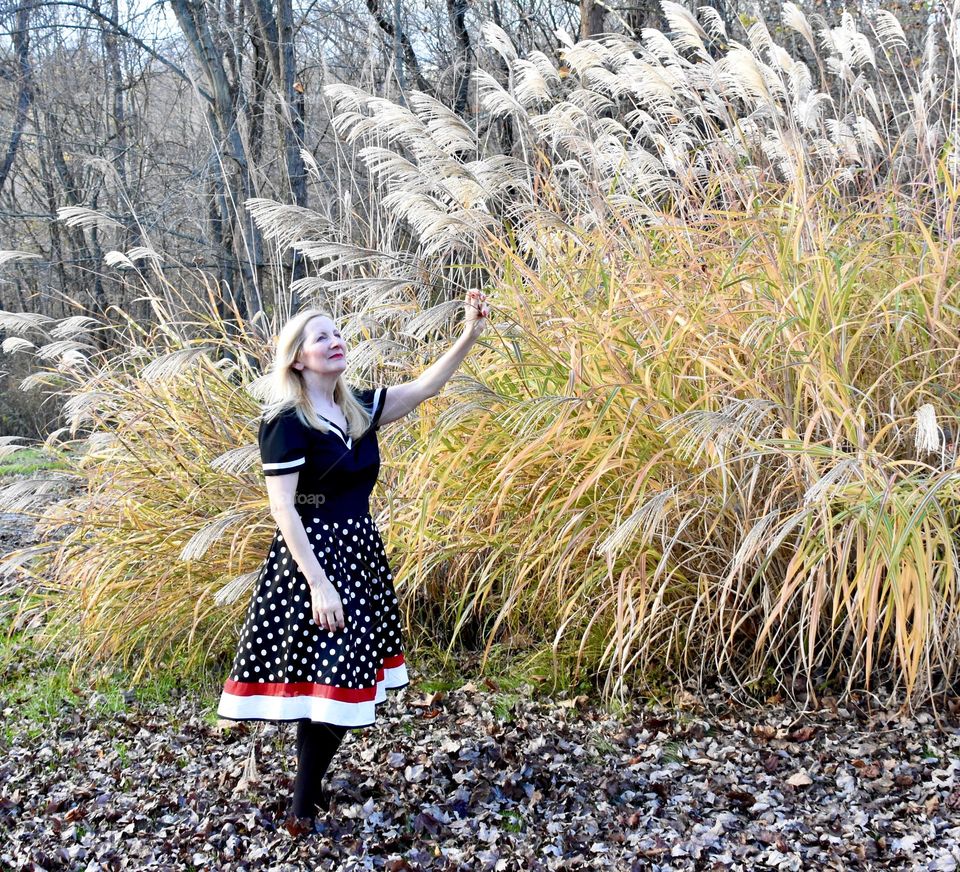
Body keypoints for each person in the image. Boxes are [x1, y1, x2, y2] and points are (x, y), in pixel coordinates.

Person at [216, 289, 490, 827]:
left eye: (337, 332)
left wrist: (469, 335)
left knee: (335, 680)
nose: (335, 341)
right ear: (298, 357)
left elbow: (425, 387)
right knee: (334, 676)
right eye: (322, 336)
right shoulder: (286, 422)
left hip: (359, 554)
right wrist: (318, 584)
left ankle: (307, 792)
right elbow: (284, 510)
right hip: (311, 561)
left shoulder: (356, 408)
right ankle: (302, 804)